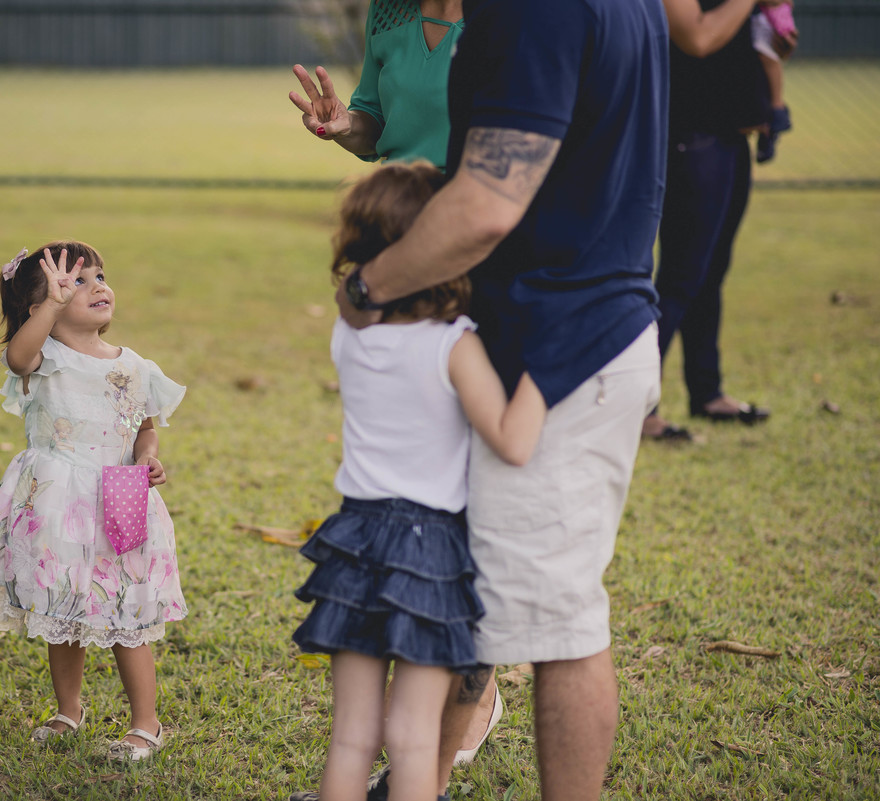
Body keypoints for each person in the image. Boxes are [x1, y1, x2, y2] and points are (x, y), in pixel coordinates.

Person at [333, 0, 668, 798]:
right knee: (480, 599)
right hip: (567, 331)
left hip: (564, 347)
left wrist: (369, 287)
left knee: (563, 627)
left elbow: (485, 203)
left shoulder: (533, 9)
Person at [289, 0, 507, 771]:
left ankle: (472, 682)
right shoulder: (387, 15)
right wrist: (343, 125)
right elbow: (378, 128)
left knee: (483, 481)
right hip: (399, 261)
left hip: (485, 253)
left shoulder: (509, 16)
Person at [293, 161, 546, 801]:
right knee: (411, 736)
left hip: (353, 539)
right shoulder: (454, 344)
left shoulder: (349, 337)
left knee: (351, 735)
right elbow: (513, 440)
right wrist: (553, 361)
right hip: (430, 550)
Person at [0, 240, 186, 761]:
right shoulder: (45, 358)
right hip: (58, 502)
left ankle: (146, 723)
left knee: (126, 611)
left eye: (99, 276)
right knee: (63, 604)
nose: (97, 286)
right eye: (76, 281)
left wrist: (149, 458)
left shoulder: (134, 366)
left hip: (119, 495)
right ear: (40, 304)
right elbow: (16, 356)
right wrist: (49, 305)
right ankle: (69, 709)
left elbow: (143, 429)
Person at [643, 0, 796, 441]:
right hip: (692, 139)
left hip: (731, 136)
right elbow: (698, 36)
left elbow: (738, 40)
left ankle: (707, 392)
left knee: (711, 274)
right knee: (679, 279)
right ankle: (639, 406)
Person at [289, 0, 465, 169]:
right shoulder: (385, 8)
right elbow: (374, 118)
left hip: (474, 194)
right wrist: (347, 125)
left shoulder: (490, 16)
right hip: (399, 191)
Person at [752, 2, 796, 164]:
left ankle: (776, 111)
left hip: (766, 17)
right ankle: (770, 120)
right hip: (757, 16)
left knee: (767, 56)